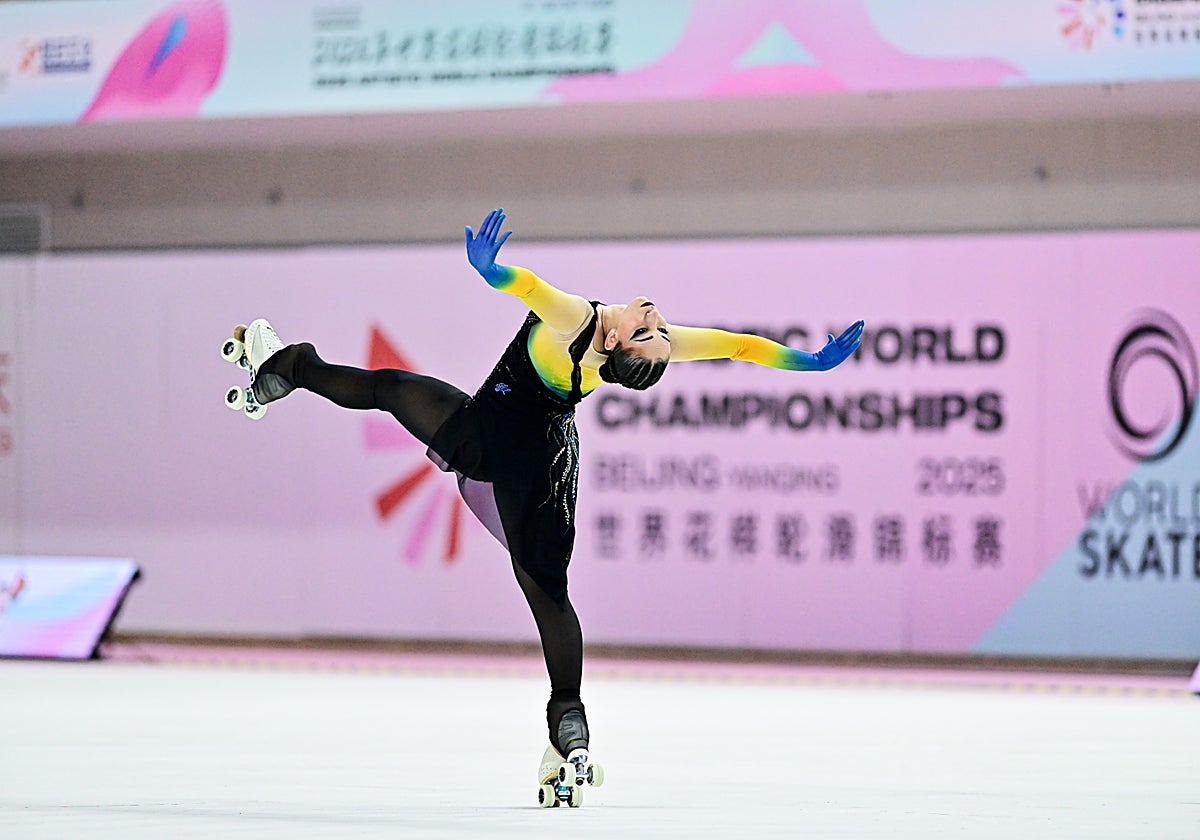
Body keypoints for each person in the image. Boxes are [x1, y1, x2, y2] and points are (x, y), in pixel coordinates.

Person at [240, 208, 864, 789]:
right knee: (547, 593)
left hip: (480, 437)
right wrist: (809, 363)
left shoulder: (582, 323)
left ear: (616, 344)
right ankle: (569, 719)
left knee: (389, 388)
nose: (656, 319)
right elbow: (739, 346)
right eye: (660, 331)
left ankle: (288, 367)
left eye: (649, 329)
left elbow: (534, 290)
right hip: (539, 468)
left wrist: (493, 272)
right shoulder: (630, 339)